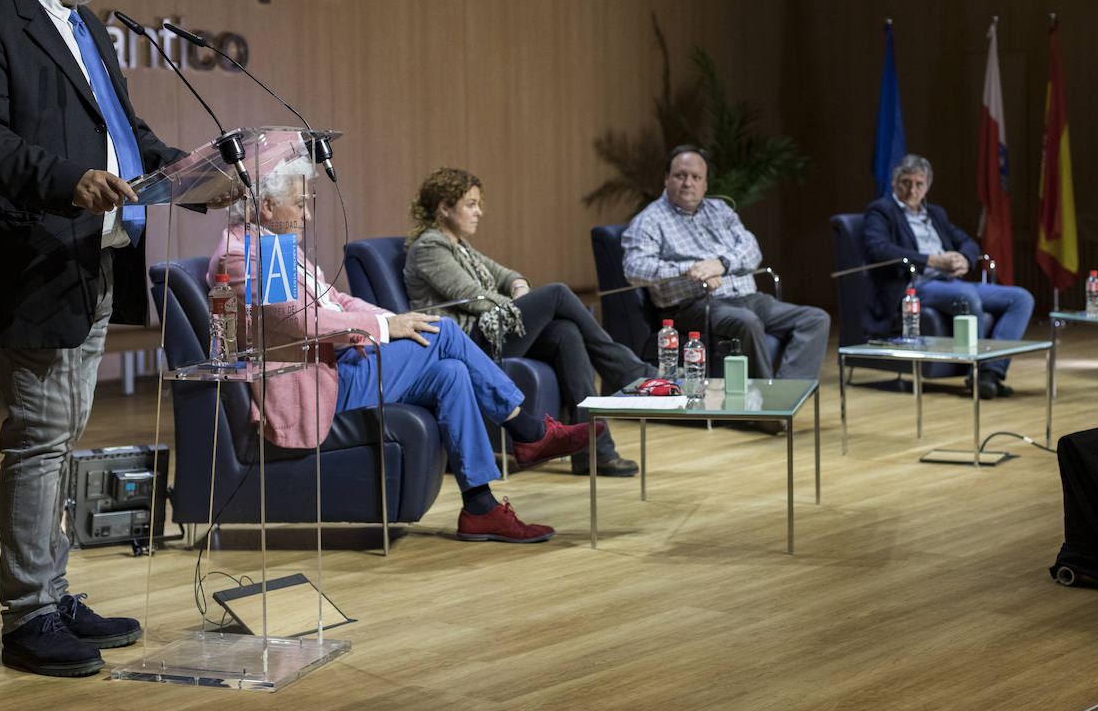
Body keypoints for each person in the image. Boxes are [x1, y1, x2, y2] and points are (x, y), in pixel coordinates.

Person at [0, 0, 185, 677]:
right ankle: (28, 617)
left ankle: (54, 592)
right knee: (39, 441)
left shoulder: (89, 29)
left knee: (61, 438)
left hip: (94, 259)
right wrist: (64, 180)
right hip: (29, 262)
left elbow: (126, 134)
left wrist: (196, 171)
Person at [209, 158, 601, 548]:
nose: (307, 215)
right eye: (300, 204)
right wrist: (384, 329)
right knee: (445, 330)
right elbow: (300, 322)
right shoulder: (250, 255)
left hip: (339, 363)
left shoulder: (274, 245)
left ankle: (480, 506)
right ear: (266, 207)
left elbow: (337, 301)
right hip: (312, 386)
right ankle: (528, 431)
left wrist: (396, 320)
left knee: (451, 373)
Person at [403, 168, 653, 477]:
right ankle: (630, 373)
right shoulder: (429, 247)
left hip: (489, 329)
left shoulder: (461, 247)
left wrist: (520, 288)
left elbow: (508, 275)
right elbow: (472, 298)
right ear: (444, 207)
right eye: (471, 204)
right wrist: (525, 305)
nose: (479, 212)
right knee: (557, 293)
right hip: (468, 341)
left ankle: (595, 452)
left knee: (567, 333)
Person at [621, 145, 831, 395]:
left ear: (705, 184)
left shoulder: (721, 210)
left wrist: (722, 264)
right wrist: (692, 270)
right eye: (680, 176)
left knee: (815, 319)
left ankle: (786, 397)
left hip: (748, 298)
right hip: (695, 305)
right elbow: (635, 268)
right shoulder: (649, 220)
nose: (688, 183)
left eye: (696, 177)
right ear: (667, 179)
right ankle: (765, 410)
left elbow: (752, 249)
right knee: (747, 322)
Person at [863, 154, 1034, 398]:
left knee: (1021, 298)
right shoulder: (881, 211)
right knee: (965, 296)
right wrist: (931, 260)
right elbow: (879, 249)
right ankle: (977, 373)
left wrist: (964, 258)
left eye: (918, 184)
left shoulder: (935, 213)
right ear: (894, 182)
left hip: (950, 281)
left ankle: (989, 373)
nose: (912, 189)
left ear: (927, 186)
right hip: (915, 284)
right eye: (905, 182)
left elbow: (966, 241)